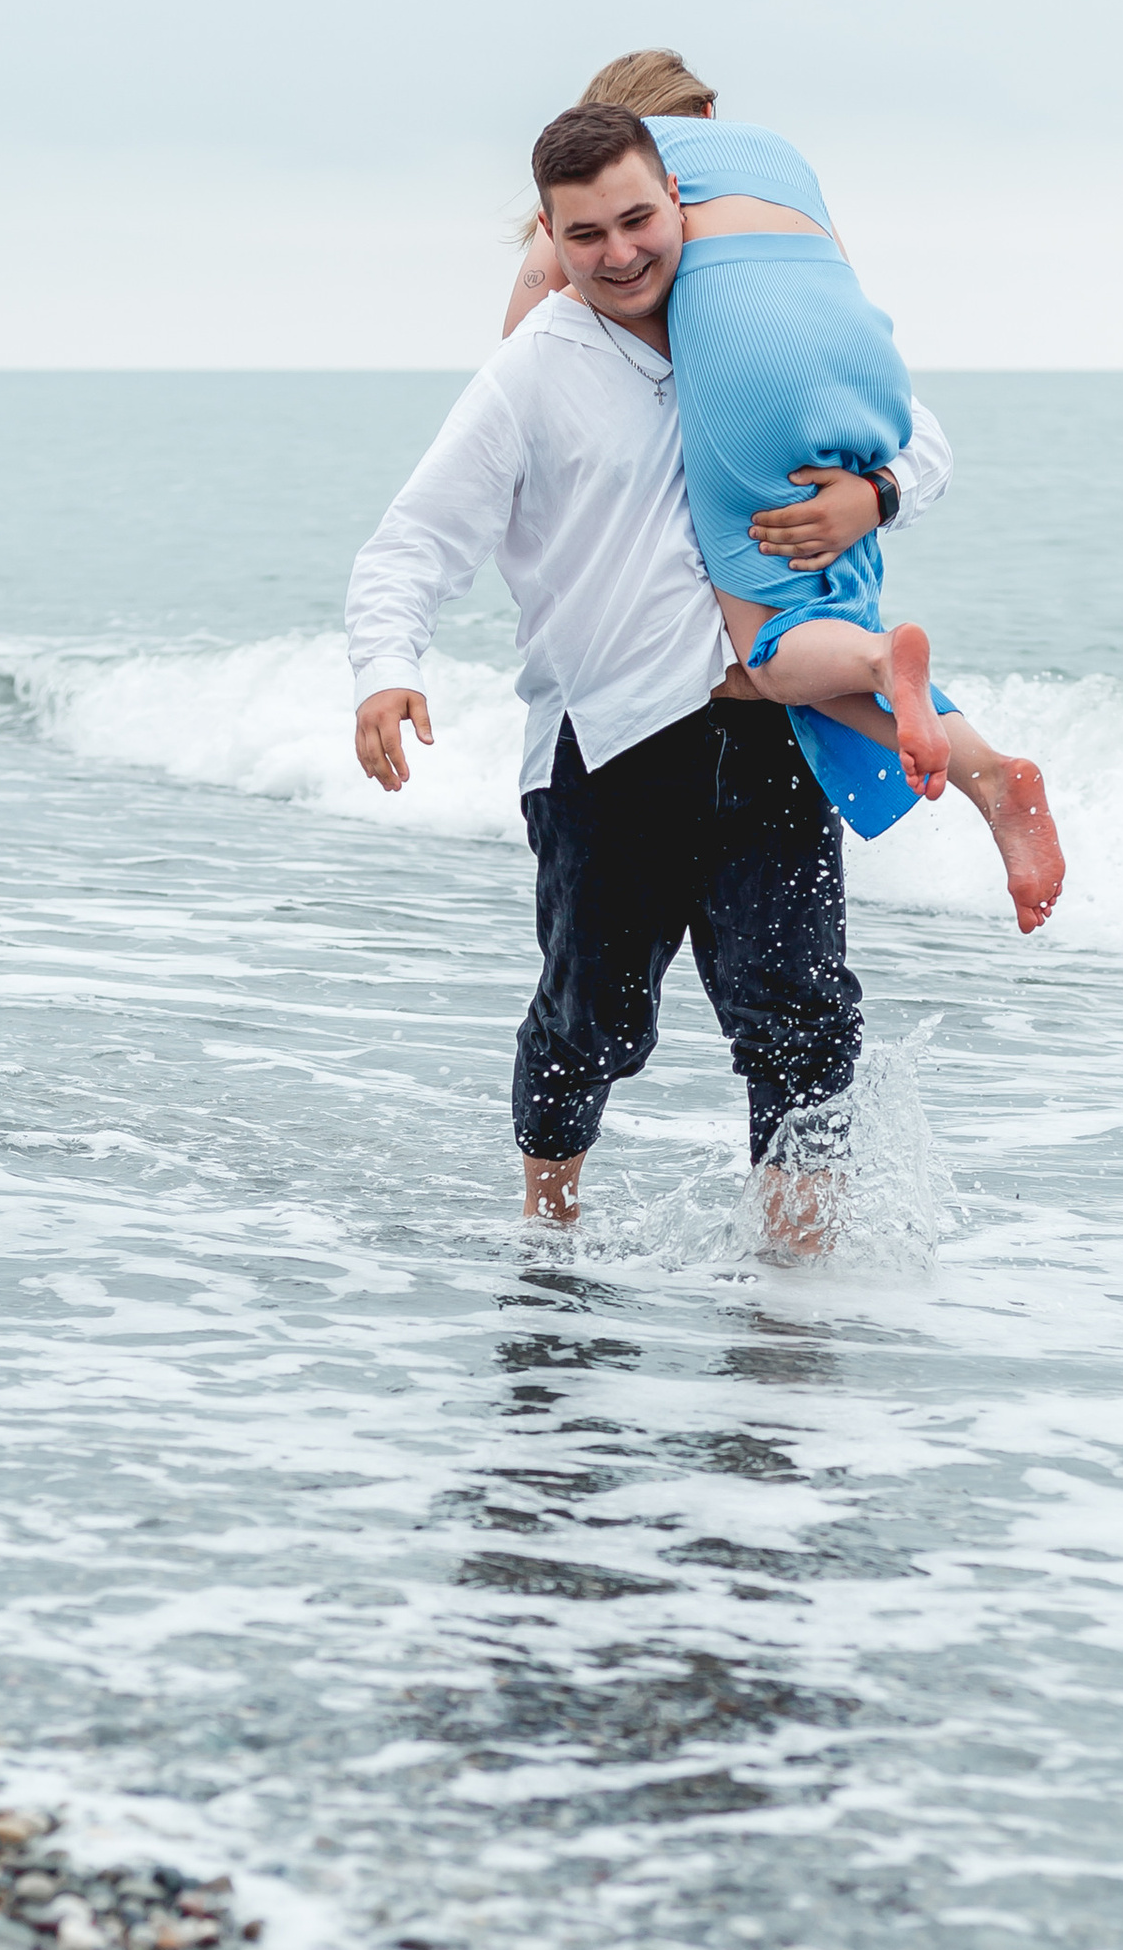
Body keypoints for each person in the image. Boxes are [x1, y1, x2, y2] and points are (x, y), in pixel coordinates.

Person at [347, 128, 958, 1230]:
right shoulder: (532, 368)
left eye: (637, 220)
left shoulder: (746, 327)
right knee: (590, 1020)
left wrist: (878, 497)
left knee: (802, 1016)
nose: (620, 252)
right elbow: (414, 542)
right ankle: (548, 1239)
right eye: (586, 234)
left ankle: (794, 1290)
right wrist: (387, 671)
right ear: (550, 236)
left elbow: (922, 439)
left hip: (772, 725)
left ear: (676, 198)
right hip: (608, 742)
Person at [518, 96, 1063, 930]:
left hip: (722, 686)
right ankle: (982, 770)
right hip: (857, 356)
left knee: (773, 650)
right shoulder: (770, 157)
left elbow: (522, 348)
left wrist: (873, 499)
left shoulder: (601, 213)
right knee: (831, 603)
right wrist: (875, 488)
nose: (619, 248)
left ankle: (892, 674)